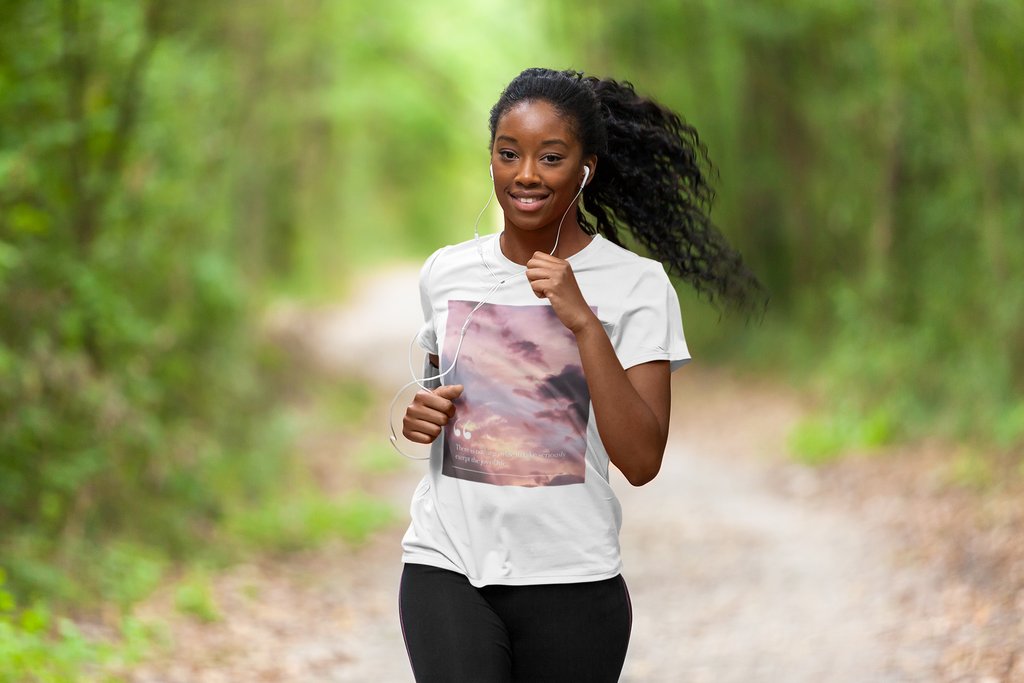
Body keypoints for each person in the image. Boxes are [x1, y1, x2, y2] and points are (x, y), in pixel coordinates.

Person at [396, 67, 763, 682]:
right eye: (508, 154)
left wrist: (585, 324)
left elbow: (641, 460)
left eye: (550, 157)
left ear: (585, 169)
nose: (526, 174)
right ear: (491, 160)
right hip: (446, 566)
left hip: (572, 581)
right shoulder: (446, 272)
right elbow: (440, 401)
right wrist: (421, 415)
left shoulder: (636, 285)